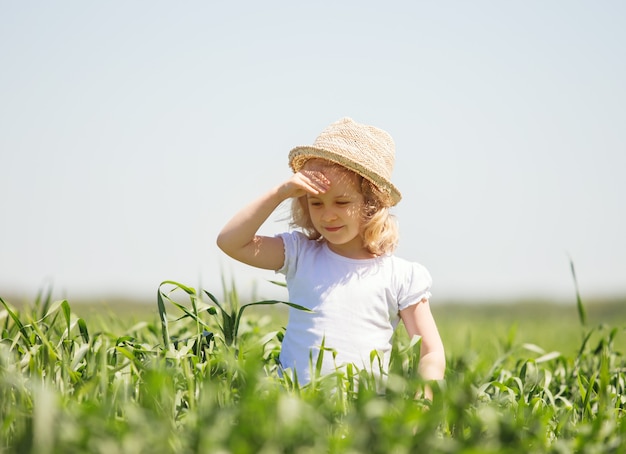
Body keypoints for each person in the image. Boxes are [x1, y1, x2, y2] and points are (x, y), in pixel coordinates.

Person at [217, 117, 445, 398]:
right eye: (316, 203)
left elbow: (430, 351)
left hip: (363, 416)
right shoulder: (300, 254)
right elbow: (231, 241)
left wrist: (423, 404)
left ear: (371, 204)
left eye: (342, 202)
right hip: (295, 409)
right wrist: (280, 193)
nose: (327, 215)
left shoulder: (401, 275)